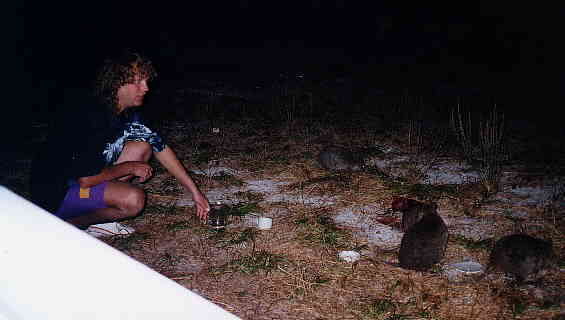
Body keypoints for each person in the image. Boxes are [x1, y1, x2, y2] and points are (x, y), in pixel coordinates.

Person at [30, 50, 210, 231]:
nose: (146, 88)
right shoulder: (92, 115)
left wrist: (195, 193)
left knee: (143, 146)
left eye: (146, 81)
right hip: (57, 195)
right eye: (137, 82)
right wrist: (130, 167)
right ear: (116, 83)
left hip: (83, 180)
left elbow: (161, 148)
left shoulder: (127, 113)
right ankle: (72, 226)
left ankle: (98, 205)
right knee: (133, 200)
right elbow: (86, 179)